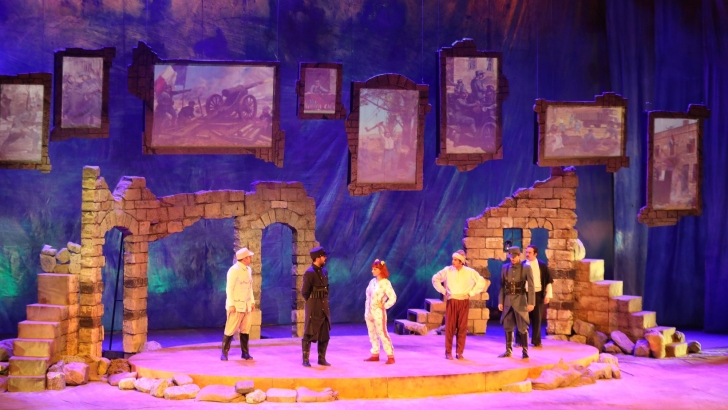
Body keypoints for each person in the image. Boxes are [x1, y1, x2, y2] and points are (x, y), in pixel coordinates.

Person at [431, 250, 486, 360]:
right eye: (453, 259)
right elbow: (435, 279)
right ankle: (448, 352)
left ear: (461, 261)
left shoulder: (470, 272)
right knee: (450, 327)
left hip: (463, 301)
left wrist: (471, 293)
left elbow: (481, 282)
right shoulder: (448, 270)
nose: (453, 261)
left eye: (456, 260)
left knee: (462, 327)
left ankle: (459, 352)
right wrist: (443, 291)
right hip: (452, 301)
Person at [498, 246, 535, 359]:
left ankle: (525, 352)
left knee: (523, 327)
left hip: (520, 301)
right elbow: (502, 286)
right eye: (510, 256)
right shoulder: (505, 268)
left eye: (514, 256)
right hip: (508, 301)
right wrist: (501, 301)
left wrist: (531, 302)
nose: (512, 259)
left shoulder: (526, 267)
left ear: (519, 255)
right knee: (508, 326)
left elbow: (531, 286)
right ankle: (508, 350)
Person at [220, 247, 256, 361]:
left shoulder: (248, 270)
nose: (250, 258)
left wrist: (252, 302)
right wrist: (231, 304)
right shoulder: (233, 270)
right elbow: (229, 288)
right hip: (236, 305)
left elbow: (250, 287)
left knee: (245, 329)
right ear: (244, 259)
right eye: (249, 257)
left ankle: (245, 353)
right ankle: (224, 352)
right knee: (230, 329)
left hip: (246, 306)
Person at [301, 246, 332, 367]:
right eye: (323, 256)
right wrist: (312, 302)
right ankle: (305, 359)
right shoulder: (309, 273)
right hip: (314, 306)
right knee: (309, 332)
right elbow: (305, 292)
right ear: (318, 258)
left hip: (324, 305)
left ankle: (321, 358)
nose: (325, 258)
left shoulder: (324, 272)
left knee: (324, 334)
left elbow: (327, 288)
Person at [364, 259, 397, 364]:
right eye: (372, 269)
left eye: (375, 269)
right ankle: (375, 354)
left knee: (382, 333)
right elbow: (368, 296)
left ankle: (390, 355)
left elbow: (393, 297)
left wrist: (384, 306)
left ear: (380, 270)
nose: (372, 271)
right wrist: (367, 310)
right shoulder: (372, 282)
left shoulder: (386, 283)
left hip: (378, 313)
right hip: (369, 312)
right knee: (372, 333)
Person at [523, 245, 552, 348]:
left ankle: (536, 340)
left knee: (537, 318)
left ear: (535, 254)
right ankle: (521, 340)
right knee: (523, 318)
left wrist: (548, 295)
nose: (527, 254)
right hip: (525, 294)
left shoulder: (542, 265)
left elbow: (548, 281)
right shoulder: (522, 265)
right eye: (526, 252)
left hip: (537, 293)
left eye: (529, 252)